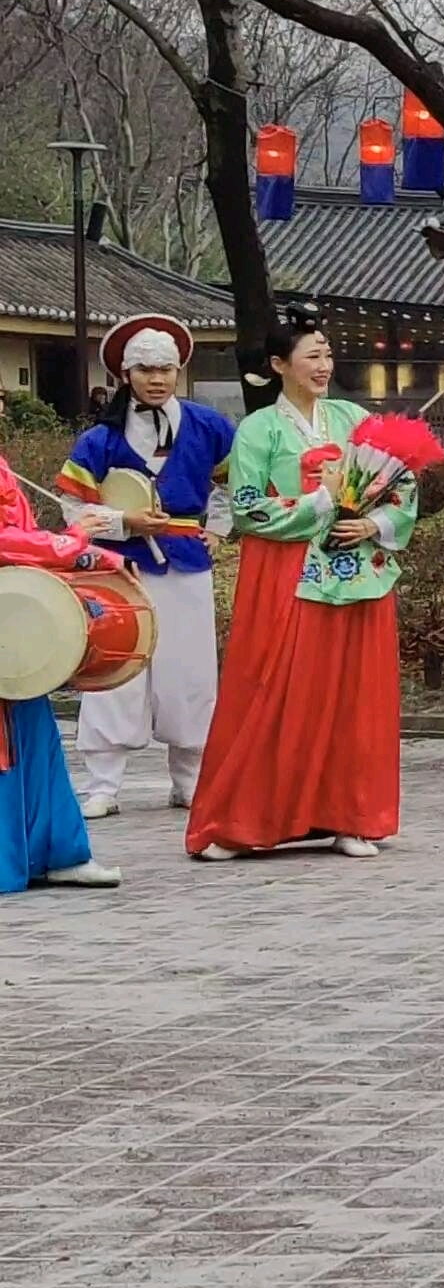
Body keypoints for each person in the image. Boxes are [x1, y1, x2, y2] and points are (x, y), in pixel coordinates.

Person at [187, 308, 407, 861]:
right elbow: (246, 508)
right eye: (312, 356)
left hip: (356, 572)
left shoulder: (354, 417)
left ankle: (351, 816)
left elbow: (399, 484)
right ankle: (241, 819)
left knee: (354, 695)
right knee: (274, 689)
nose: (324, 365)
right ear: (279, 365)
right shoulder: (258, 429)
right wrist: (324, 501)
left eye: (328, 354)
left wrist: (373, 522)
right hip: (287, 575)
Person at [57, 315, 232, 817]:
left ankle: (190, 778)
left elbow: (235, 485)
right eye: (146, 369)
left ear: (179, 371)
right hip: (121, 571)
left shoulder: (210, 427)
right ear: (125, 375)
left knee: (190, 670)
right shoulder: (99, 439)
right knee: (115, 665)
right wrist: (123, 521)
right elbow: (74, 508)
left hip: (187, 565)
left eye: (166, 369)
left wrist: (218, 530)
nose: (157, 379)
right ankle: (103, 784)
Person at [0, 458, 124, 889]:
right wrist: (75, 539)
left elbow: (26, 538)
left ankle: (57, 851)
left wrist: (93, 555)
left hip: (13, 613)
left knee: (33, 733)